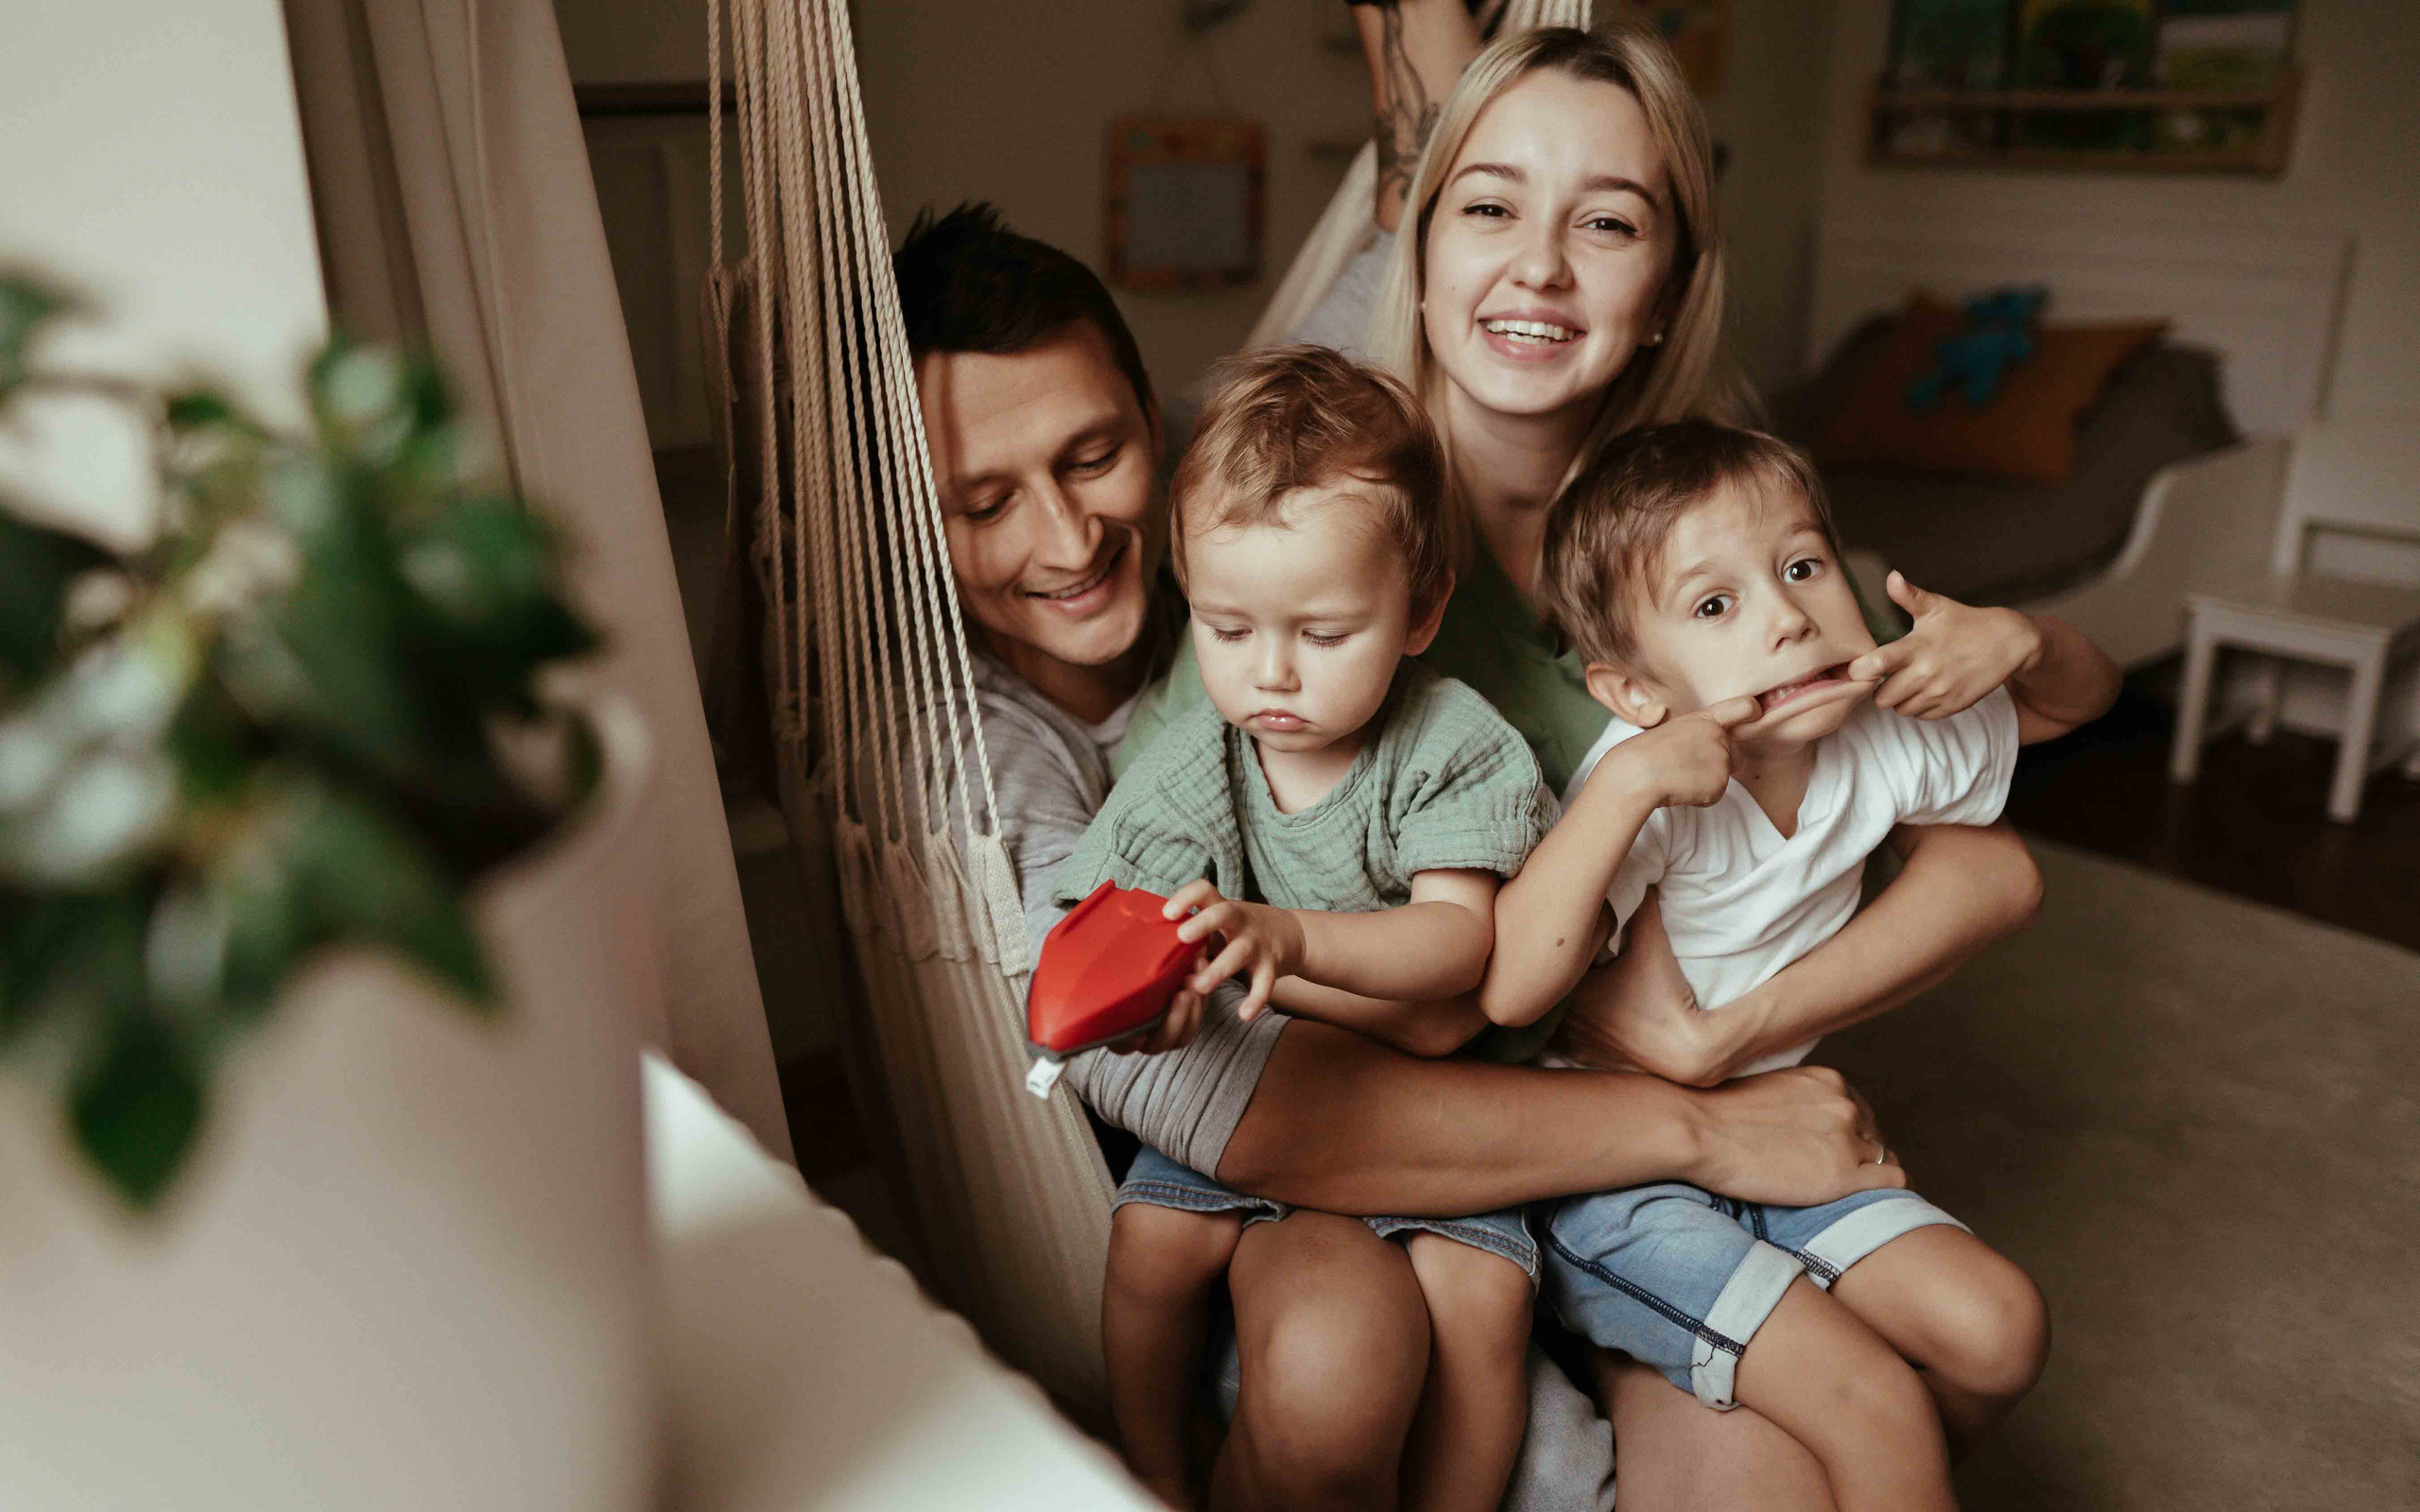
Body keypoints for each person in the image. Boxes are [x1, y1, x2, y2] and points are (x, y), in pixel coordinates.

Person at [1104, 19, 2054, 1507]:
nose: (1539, 266)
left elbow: (1982, 857)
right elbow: (1201, 1067)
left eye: (1606, 222)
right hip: (1422, 1182)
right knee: (1362, 1391)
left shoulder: (1713, 545)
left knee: (1941, 1380)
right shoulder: (1308, 557)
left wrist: (1723, 1043)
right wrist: (1693, 1106)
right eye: (1488, 207)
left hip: (1633, 1180)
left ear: (1669, 280)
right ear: (1416, 254)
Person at [897, 201, 1922, 1512]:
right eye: (982, 503)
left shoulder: (1282, 495)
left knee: (1816, 1436)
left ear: (1160, 418)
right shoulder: (991, 758)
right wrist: (1699, 1130)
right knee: (1443, 1425)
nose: (1066, 537)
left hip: (1526, 1105)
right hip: (1305, 1175)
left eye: (1094, 456)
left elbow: (1389, 261)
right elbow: (1186, 1060)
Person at [1480, 421, 2115, 1508]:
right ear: (1634, 692)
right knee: (1876, 1404)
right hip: (1614, 1182)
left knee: (2001, 1327)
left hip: (1778, 1126)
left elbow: (2072, 702)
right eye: (1715, 605)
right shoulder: (1659, 781)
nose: (1785, 618)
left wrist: (2017, 637)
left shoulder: (1881, 727)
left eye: (1802, 567)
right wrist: (1627, 785)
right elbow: (1514, 987)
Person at [1069, 347, 1551, 1511]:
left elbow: (1457, 947)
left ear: (1421, 608)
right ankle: (1153, 1468)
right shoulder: (1197, 762)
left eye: (1325, 634)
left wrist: (1288, 940)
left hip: (1437, 1124)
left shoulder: (1450, 744)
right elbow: (1122, 923)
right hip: (1265, 1096)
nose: (1271, 672)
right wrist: (1156, 996)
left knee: (1485, 1298)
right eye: (1229, 631)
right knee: (1148, 1247)